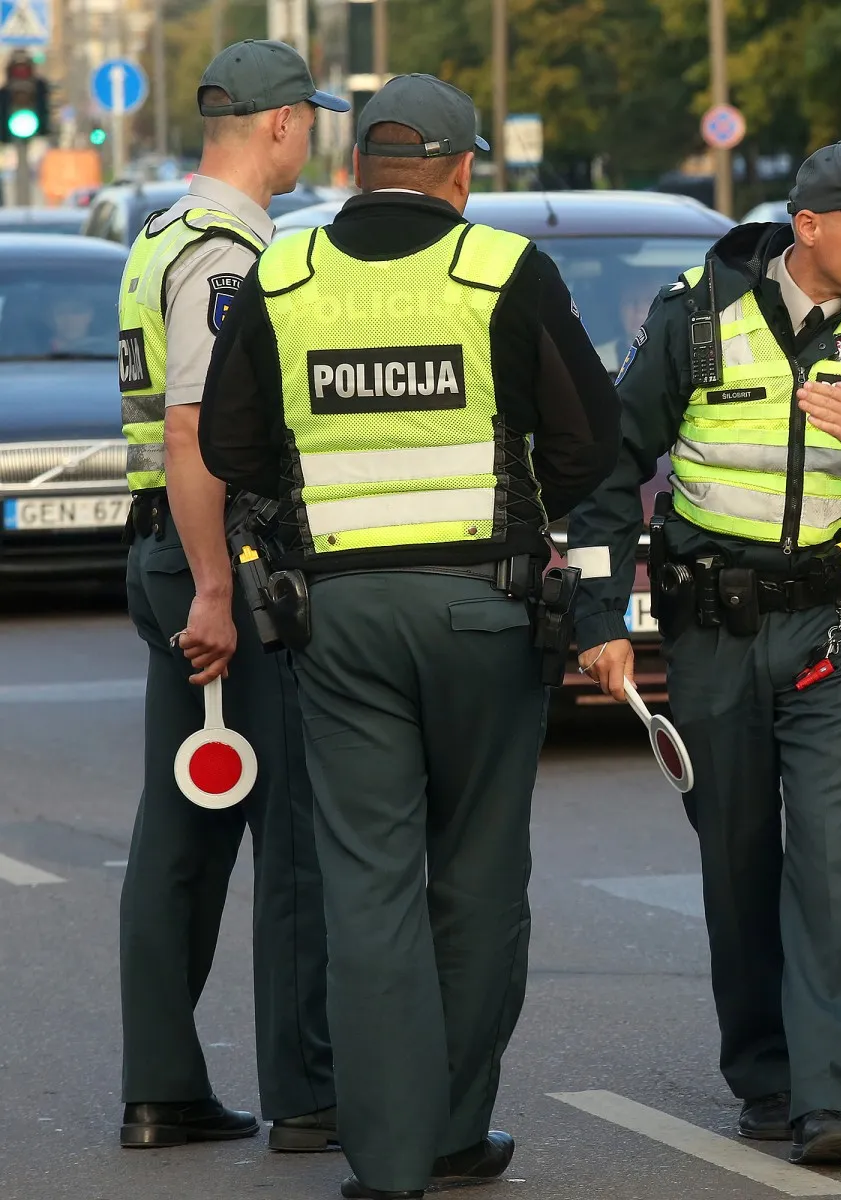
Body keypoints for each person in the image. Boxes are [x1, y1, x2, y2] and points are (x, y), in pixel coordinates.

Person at [198, 73, 620, 1200]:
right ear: (463, 171)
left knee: (368, 884)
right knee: (477, 879)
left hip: (338, 621)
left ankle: (385, 1162)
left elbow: (233, 448)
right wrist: (520, 502)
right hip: (485, 615)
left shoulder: (284, 273)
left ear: (356, 168)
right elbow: (590, 444)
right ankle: (451, 1136)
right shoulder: (503, 270)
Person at [568, 139, 841, 1165]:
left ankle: (823, 1096)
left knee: (834, 865)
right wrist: (598, 615)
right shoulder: (697, 315)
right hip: (713, 632)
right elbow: (611, 465)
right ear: (809, 228)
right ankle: (764, 1076)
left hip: (839, 630)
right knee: (738, 858)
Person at [115, 38, 344, 1155]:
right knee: (289, 831)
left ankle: (162, 1087)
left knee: (186, 827)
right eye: (313, 120)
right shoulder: (227, 254)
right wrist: (217, 587)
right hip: (224, 560)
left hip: (169, 549)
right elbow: (193, 430)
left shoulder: (161, 229)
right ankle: (309, 1094)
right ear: (284, 123)